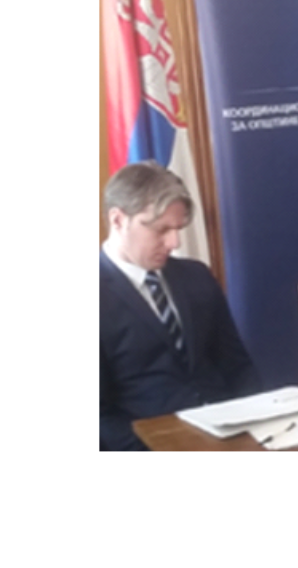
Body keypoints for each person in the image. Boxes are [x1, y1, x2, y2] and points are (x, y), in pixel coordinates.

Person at [100, 161, 261, 450]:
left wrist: (259, 429)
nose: (174, 243)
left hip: (231, 438)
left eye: (178, 229)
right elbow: (100, 418)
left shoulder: (196, 277)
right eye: (161, 230)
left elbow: (238, 368)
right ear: (118, 220)